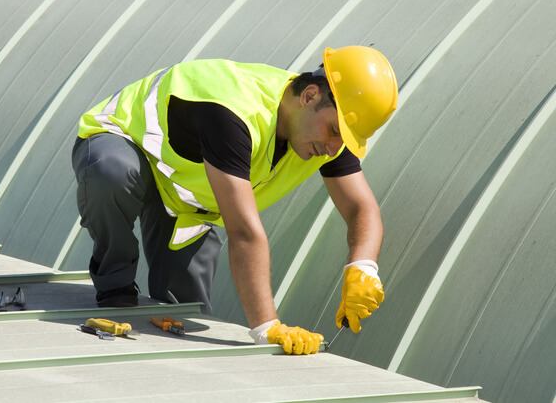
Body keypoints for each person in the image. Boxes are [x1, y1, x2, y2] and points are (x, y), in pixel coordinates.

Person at [71, 46, 397, 355]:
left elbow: (361, 208)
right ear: (310, 96)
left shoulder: (321, 133)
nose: (333, 148)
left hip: (183, 190)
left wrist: (362, 267)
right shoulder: (234, 112)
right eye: (334, 131)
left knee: (182, 320)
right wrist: (267, 326)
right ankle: (115, 285)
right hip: (128, 142)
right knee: (111, 173)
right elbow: (243, 230)